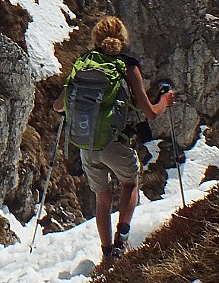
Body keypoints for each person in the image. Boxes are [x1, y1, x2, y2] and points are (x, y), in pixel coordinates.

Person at [54, 15, 173, 267]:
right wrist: (165, 101)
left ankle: (107, 254)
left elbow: (57, 107)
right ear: (123, 39)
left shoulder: (82, 64)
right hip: (113, 142)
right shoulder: (127, 67)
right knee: (130, 183)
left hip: (86, 145)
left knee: (102, 199)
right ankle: (122, 238)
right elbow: (150, 113)